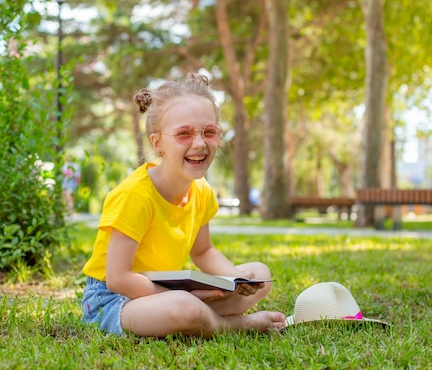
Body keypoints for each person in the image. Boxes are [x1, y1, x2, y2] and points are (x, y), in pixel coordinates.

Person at [81, 73, 286, 338]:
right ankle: (232, 326)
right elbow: (118, 279)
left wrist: (236, 280)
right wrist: (185, 295)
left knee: (259, 274)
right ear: (158, 143)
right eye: (183, 134)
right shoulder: (134, 196)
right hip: (114, 300)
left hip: (169, 291)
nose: (199, 143)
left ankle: (201, 315)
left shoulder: (201, 191)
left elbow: (203, 251)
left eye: (209, 132)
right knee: (185, 307)